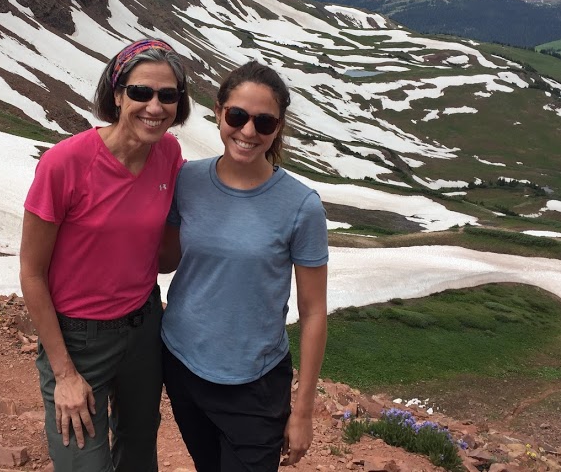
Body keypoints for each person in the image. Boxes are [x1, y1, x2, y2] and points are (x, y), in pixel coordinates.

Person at [19, 38, 191, 472]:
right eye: (141, 92)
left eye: (168, 96)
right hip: (79, 339)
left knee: (138, 449)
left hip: (142, 326)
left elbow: (164, 257)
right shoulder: (65, 164)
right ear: (116, 95)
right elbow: (32, 272)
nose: (155, 106)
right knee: (82, 461)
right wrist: (64, 374)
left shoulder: (168, 153)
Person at [160, 60, 329, 471]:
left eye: (264, 122)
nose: (248, 132)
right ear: (218, 112)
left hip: (256, 383)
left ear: (279, 126)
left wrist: (302, 410)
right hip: (182, 365)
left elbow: (313, 313)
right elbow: (165, 260)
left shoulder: (302, 206)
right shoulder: (187, 180)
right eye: (237, 116)